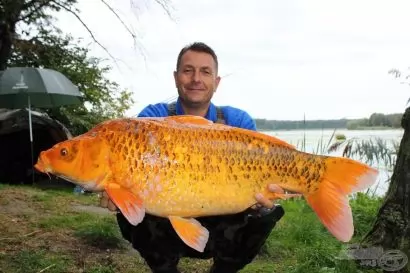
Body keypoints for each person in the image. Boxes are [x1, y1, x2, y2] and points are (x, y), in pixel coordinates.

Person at [100, 42, 285, 273]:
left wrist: (261, 202)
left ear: (216, 82)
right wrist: (116, 191)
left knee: (266, 214)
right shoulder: (151, 118)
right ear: (176, 77)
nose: (196, 78)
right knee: (131, 214)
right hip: (165, 221)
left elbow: (263, 174)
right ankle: (165, 269)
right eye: (188, 70)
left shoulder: (238, 122)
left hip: (223, 222)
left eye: (205, 71)